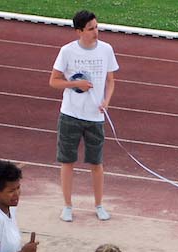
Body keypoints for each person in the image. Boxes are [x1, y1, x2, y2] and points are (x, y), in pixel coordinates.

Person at [49, 10, 119, 222]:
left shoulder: (106, 50)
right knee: (67, 161)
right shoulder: (67, 51)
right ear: (79, 31)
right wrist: (75, 84)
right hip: (70, 114)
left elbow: (111, 80)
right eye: (90, 29)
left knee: (96, 163)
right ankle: (67, 206)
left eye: (96, 27)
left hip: (95, 117)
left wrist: (106, 101)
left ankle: (98, 205)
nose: (96, 32)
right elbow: (54, 81)